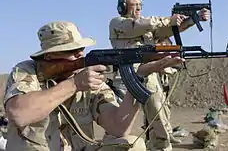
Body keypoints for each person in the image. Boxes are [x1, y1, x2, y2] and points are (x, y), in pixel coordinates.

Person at [3, 21, 185, 151]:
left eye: (81, 50)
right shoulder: (28, 71)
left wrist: (139, 77)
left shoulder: (89, 80)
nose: (80, 55)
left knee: (132, 144)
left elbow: (117, 127)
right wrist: (74, 84)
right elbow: (19, 113)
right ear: (50, 56)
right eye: (73, 52)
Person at [109, 0, 210, 151]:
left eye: (140, 5)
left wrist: (193, 19)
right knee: (117, 122)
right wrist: (168, 20)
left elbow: (167, 30)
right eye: (133, 5)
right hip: (126, 76)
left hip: (149, 73)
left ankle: (160, 147)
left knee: (158, 115)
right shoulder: (118, 23)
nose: (138, 9)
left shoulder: (148, 27)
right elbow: (138, 26)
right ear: (123, 7)